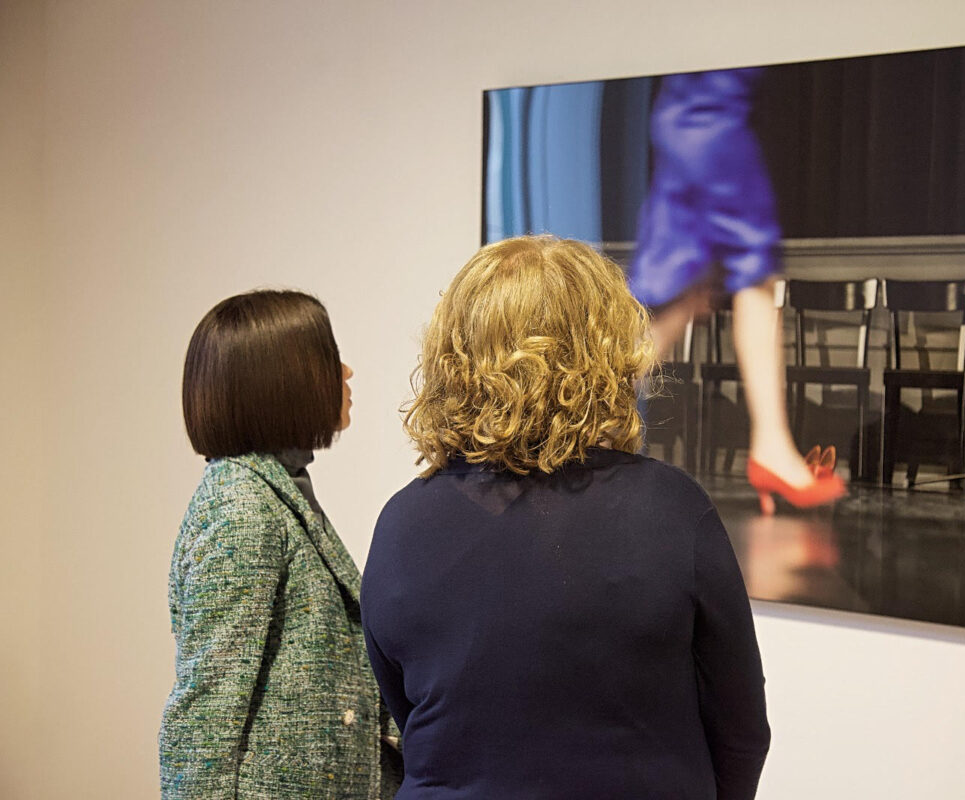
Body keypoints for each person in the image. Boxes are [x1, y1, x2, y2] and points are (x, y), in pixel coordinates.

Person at [362, 236, 771, 799]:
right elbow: (742, 731)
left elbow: (410, 712)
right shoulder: (672, 509)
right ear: (607, 351)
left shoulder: (403, 522)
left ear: (454, 354)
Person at [160, 290, 402, 800]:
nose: (347, 373)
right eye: (328, 358)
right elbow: (205, 713)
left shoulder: (275, 490)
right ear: (282, 380)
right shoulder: (241, 505)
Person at [629, 68, 844, 512]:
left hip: (677, 120)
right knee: (755, 268)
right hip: (713, 119)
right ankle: (772, 448)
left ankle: (580, 430)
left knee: (686, 291)